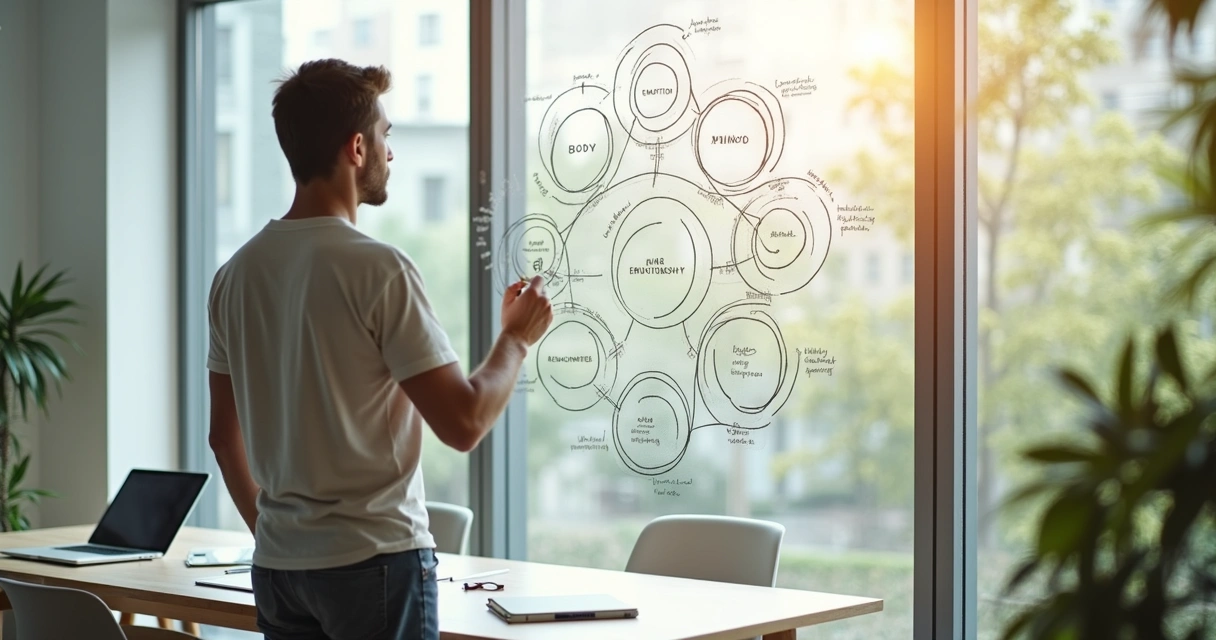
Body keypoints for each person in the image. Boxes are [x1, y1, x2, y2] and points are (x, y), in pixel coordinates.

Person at [205, 59, 553, 640]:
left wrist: (274, 539)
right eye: (387, 135)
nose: (392, 152)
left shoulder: (235, 275)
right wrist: (515, 339)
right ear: (357, 148)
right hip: (374, 565)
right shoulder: (379, 269)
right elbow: (464, 423)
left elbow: (223, 436)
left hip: (279, 571)